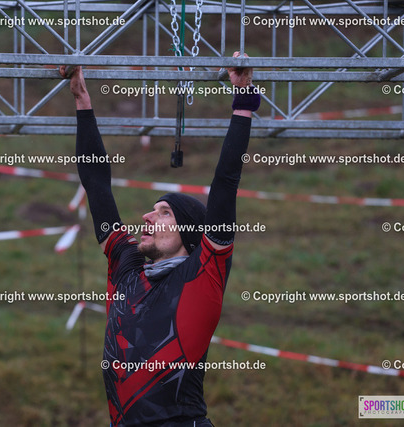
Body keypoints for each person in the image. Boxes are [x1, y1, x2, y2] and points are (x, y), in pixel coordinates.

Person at [60, 52, 260, 426]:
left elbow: (225, 183)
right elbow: (97, 183)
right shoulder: (127, 269)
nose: (147, 217)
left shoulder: (204, 273)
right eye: (153, 210)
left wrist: (244, 100)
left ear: (190, 232)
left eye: (164, 212)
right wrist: (82, 100)